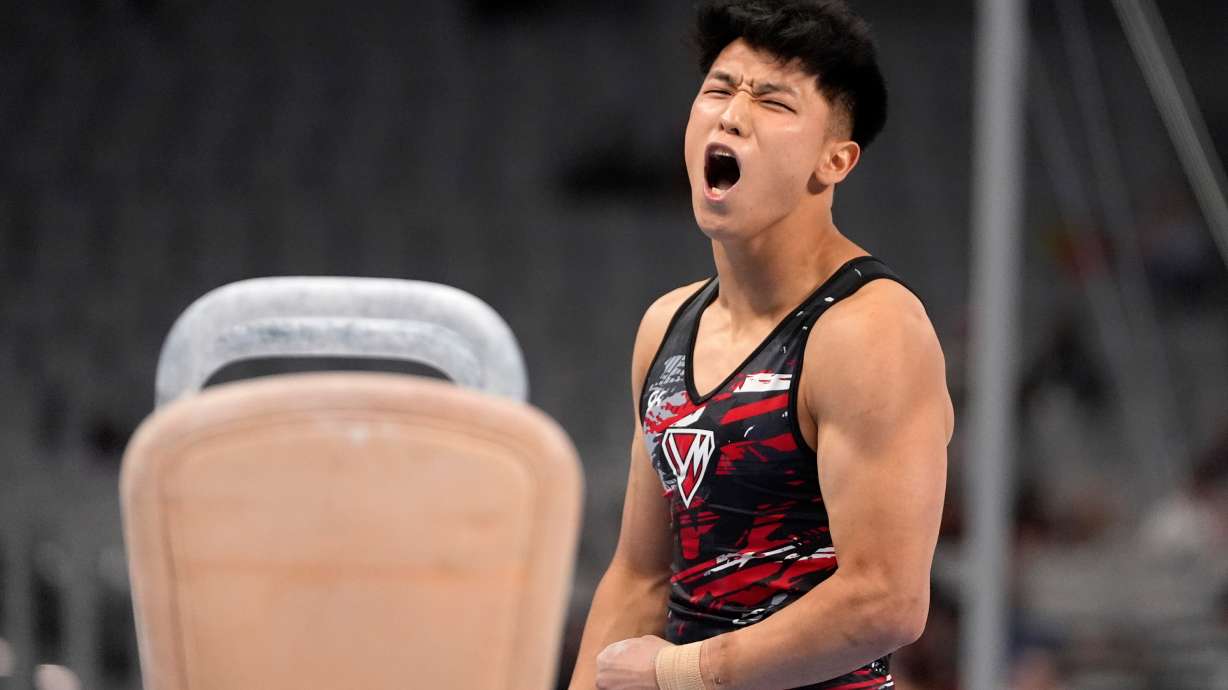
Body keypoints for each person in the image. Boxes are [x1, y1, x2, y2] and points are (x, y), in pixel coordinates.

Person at [567, 1, 953, 689]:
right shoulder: (667, 326)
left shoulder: (869, 331)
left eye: (772, 101)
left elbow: (886, 601)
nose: (731, 114)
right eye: (718, 89)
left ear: (835, 160)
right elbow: (639, 575)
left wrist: (676, 674)